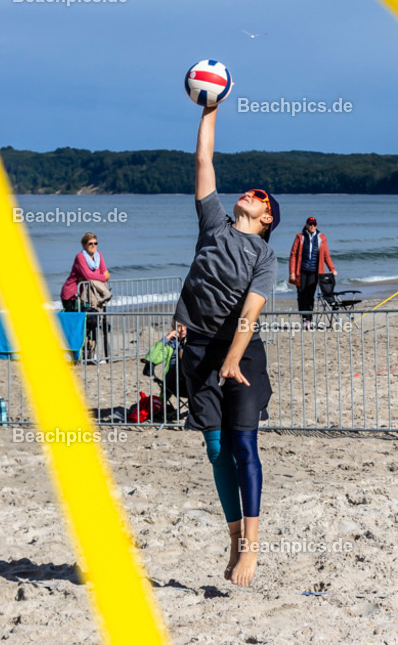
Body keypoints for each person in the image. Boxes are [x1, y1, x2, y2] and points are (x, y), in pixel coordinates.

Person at [174, 105, 280, 587]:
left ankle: (252, 549)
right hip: (200, 351)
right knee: (216, 449)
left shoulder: (265, 254)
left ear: (266, 217)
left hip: (243, 354)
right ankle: (235, 537)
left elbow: (250, 311)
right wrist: (210, 109)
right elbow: (204, 162)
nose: (250, 194)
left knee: (243, 444)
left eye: (259, 196)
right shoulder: (214, 225)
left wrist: (234, 360)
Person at [60, 232, 111, 358]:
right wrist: (101, 277)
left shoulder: (99, 256)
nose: (93, 246)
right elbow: (90, 276)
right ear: (84, 245)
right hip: (72, 295)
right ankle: (72, 353)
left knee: (92, 322)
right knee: (76, 324)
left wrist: (98, 277)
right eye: (90, 244)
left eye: (95, 243)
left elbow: (107, 275)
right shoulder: (80, 257)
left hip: (88, 295)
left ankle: (89, 353)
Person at [288, 217, 336, 325]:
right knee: (301, 294)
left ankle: (309, 319)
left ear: (316, 226)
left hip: (314, 272)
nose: (312, 226)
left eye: (314, 224)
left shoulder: (321, 238)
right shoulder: (300, 237)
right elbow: (293, 255)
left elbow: (326, 255)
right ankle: (304, 317)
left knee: (310, 295)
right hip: (301, 271)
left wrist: (332, 269)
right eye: (310, 224)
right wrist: (292, 272)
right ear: (306, 225)